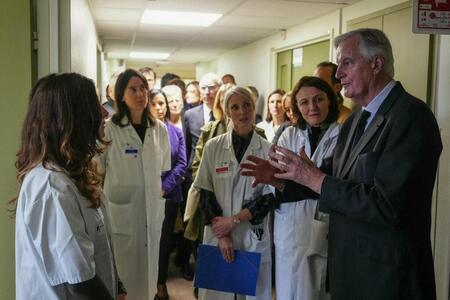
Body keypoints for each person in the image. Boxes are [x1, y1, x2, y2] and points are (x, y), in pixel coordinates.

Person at [241, 28, 442, 300]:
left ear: (376, 64)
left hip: (386, 277)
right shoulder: (357, 119)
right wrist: (279, 179)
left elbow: (389, 206)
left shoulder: (410, 117)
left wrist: (314, 178)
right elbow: (329, 179)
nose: (338, 75)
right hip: (350, 269)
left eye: (347, 63)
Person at [13, 73, 126, 300]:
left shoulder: (72, 175)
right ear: (72, 116)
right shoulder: (52, 186)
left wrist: (118, 286)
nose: (105, 112)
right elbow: (81, 283)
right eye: (95, 104)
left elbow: (94, 249)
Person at [194, 86, 276, 300]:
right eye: (235, 107)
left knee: (253, 293)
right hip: (219, 234)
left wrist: (234, 221)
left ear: (254, 108)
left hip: (252, 234)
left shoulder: (268, 149)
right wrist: (223, 234)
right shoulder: (213, 147)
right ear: (227, 112)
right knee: (218, 293)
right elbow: (205, 192)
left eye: (247, 105)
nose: (242, 112)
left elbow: (270, 197)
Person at [98, 69, 171, 300]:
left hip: (151, 215)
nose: (140, 93)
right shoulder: (109, 130)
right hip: (121, 217)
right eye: (133, 89)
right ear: (120, 95)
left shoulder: (159, 129)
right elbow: (96, 174)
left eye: (143, 88)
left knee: (148, 281)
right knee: (124, 282)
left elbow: (161, 169)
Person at [273, 76, 339, 300]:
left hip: (324, 223)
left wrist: (305, 178)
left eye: (318, 99)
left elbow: (336, 183)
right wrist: (314, 176)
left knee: (316, 290)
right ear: (296, 107)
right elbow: (278, 182)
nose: (312, 107)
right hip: (289, 229)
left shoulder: (342, 136)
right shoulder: (289, 135)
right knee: (287, 290)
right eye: (304, 102)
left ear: (329, 100)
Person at [148, 89, 187, 300]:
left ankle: (161, 283)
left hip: (169, 196)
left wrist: (164, 187)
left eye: (162, 103)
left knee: (164, 242)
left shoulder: (175, 131)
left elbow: (182, 164)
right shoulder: (143, 132)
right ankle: (146, 282)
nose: (160, 108)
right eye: (154, 104)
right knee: (147, 241)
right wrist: (152, 188)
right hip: (146, 196)